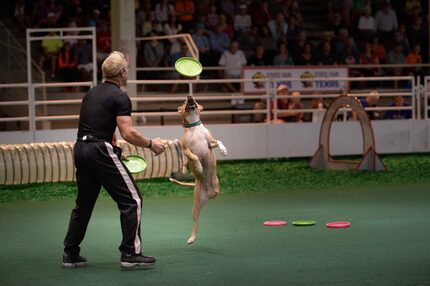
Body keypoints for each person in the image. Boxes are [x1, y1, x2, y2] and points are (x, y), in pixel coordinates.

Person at [62, 51, 165, 269]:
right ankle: (130, 254)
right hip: (99, 150)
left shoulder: (91, 94)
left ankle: (70, 254)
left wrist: (114, 149)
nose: (128, 72)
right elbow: (128, 132)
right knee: (132, 199)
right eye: (126, 69)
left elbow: (98, 124)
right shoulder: (120, 97)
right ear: (121, 73)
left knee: (84, 205)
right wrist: (151, 144)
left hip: (81, 148)